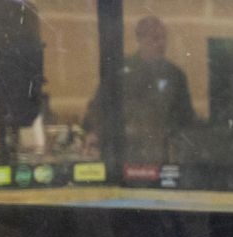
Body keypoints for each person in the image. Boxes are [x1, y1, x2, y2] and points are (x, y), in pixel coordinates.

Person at [83, 15, 196, 160]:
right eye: (155, 38)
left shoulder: (174, 75)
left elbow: (185, 118)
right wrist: (94, 132)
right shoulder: (119, 71)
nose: (161, 43)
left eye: (163, 38)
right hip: (124, 152)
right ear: (141, 39)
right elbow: (100, 106)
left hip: (160, 152)